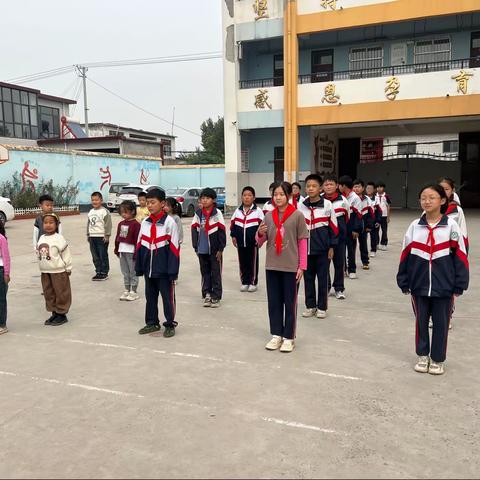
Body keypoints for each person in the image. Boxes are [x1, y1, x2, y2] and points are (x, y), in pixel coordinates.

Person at [397, 183, 469, 375]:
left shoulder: (451, 226)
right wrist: (403, 279)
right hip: (419, 284)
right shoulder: (415, 226)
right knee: (421, 321)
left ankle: (437, 359)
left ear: (443, 200)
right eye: (423, 198)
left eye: (432, 197)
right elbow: (405, 253)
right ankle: (422, 355)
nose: (427, 201)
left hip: (444, 285)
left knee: (441, 323)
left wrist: (459, 283)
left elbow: (460, 255)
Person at [256, 181, 309, 353]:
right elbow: (259, 242)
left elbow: (302, 242)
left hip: (291, 267)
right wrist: (260, 233)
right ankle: (276, 334)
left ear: (289, 196)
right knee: (274, 302)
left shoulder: (297, 215)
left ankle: (289, 337)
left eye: (281, 194)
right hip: (272, 265)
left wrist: (302, 266)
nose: (278, 197)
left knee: (290, 302)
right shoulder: (268, 216)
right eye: (275, 194)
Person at [135, 188, 180, 338]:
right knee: (150, 297)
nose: (149, 205)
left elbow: (174, 248)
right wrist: (139, 266)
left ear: (162, 203)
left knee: (167, 298)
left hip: (164, 270)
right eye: (147, 203)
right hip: (149, 268)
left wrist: (172, 271)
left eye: (153, 202)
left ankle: (170, 324)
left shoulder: (169, 223)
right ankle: (152, 322)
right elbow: (140, 245)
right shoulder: (145, 223)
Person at [298, 174, 338, 319]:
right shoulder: (301, 206)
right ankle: (310, 306)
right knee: (308, 279)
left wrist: (332, 247)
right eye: (308, 186)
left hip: (323, 250)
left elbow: (334, 227)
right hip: (306, 250)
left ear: (320, 188)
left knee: (322, 279)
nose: (310, 188)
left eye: (314, 186)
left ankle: (322, 307)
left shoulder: (327, 205)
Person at [191, 188, 226, 308]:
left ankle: (216, 296)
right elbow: (194, 230)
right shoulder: (198, 214)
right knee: (205, 272)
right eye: (203, 198)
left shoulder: (217, 213)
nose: (205, 201)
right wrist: (196, 246)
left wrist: (221, 249)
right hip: (202, 249)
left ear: (213, 200)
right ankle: (207, 294)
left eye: (207, 198)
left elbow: (222, 231)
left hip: (215, 250)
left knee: (216, 273)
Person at [37, 213, 72, 326]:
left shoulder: (59, 238)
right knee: (49, 293)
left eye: (51, 222)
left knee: (61, 292)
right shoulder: (42, 238)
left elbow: (66, 254)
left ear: (56, 225)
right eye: (45, 222)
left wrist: (68, 267)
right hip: (45, 271)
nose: (48, 225)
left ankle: (62, 314)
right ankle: (54, 312)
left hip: (58, 271)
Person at [230, 186, 264, 292]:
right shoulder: (237, 211)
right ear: (241, 197)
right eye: (244, 195)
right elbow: (233, 225)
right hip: (240, 243)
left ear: (254, 198)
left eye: (249, 195)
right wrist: (233, 236)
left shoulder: (258, 211)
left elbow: (262, 226)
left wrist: (259, 239)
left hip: (252, 243)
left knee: (252, 263)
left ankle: (253, 282)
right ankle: (244, 282)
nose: (247, 198)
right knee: (242, 262)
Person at [323, 174, 349, 299]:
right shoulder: (319, 200)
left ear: (337, 186)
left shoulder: (343, 201)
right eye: (326, 184)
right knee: (324, 264)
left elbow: (347, 218)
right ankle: (326, 287)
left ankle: (339, 288)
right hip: (324, 239)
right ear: (322, 186)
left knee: (339, 264)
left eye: (331, 184)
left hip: (340, 239)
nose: (328, 187)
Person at [114, 200, 141, 302]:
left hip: (131, 251)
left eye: (125, 212)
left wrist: (136, 253)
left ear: (133, 211)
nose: (123, 214)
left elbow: (137, 240)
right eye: (122, 212)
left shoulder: (136, 225)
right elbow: (117, 237)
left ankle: (133, 291)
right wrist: (116, 249)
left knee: (132, 272)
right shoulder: (121, 223)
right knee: (125, 272)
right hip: (122, 251)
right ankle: (127, 289)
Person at [338, 175, 363, 279]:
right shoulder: (340, 197)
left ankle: (352, 269)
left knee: (351, 249)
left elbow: (359, 215)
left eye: (339, 185)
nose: (338, 187)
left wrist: (356, 229)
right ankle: (343, 269)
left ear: (344, 186)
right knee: (341, 249)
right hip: (341, 226)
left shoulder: (355, 198)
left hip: (351, 226)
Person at [438, 177, 468, 252]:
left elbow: (462, 232)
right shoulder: (429, 209)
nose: (443, 192)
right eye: (441, 189)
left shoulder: (457, 211)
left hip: (450, 249)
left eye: (447, 189)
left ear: (453, 190)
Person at [87, 191, 112, 281]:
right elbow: (89, 223)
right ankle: (98, 271)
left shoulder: (104, 212)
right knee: (95, 256)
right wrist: (88, 234)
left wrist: (107, 235)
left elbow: (108, 224)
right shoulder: (90, 212)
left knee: (102, 255)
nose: (94, 202)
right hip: (92, 237)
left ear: (101, 200)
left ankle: (104, 272)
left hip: (102, 237)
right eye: (93, 200)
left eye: (96, 200)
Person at [353, 179, 374, 270]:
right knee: (351, 246)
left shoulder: (367, 199)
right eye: (354, 187)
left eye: (358, 187)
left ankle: (365, 262)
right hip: (353, 227)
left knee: (363, 244)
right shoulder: (350, 199)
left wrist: (369, 226)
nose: (356, 189)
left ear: (363, 188)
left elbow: (371, 213)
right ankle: (350, 263)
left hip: (363, 226)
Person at [0, 221, 11, 335]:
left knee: (1, 299)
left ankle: (2, 324)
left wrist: (6, 273)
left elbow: (6, 257)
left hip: (1, 270)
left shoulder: (1, 238)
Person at [366, 181, 381, 258]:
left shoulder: (376, 199)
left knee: (373, 236)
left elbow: (379, 211)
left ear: (374, 190)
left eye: (370, 188)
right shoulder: (363, 198)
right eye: (367, 188)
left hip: (374, 220)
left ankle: (373, 250)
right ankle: (364, 251)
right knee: (364, 237)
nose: (368, 190)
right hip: (365, 221)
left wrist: (378, 221)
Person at [375, 182, 391, 251]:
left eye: (381, 187)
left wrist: (388, 217)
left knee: (384, 230)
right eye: (378, 187)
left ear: (383, 188)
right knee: (376, 231)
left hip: (384, 216)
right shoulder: (375, 196)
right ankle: (376, 243)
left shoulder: (386, 196)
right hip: (376, 216)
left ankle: (384, 244)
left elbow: (388, 206)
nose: (379, 188)